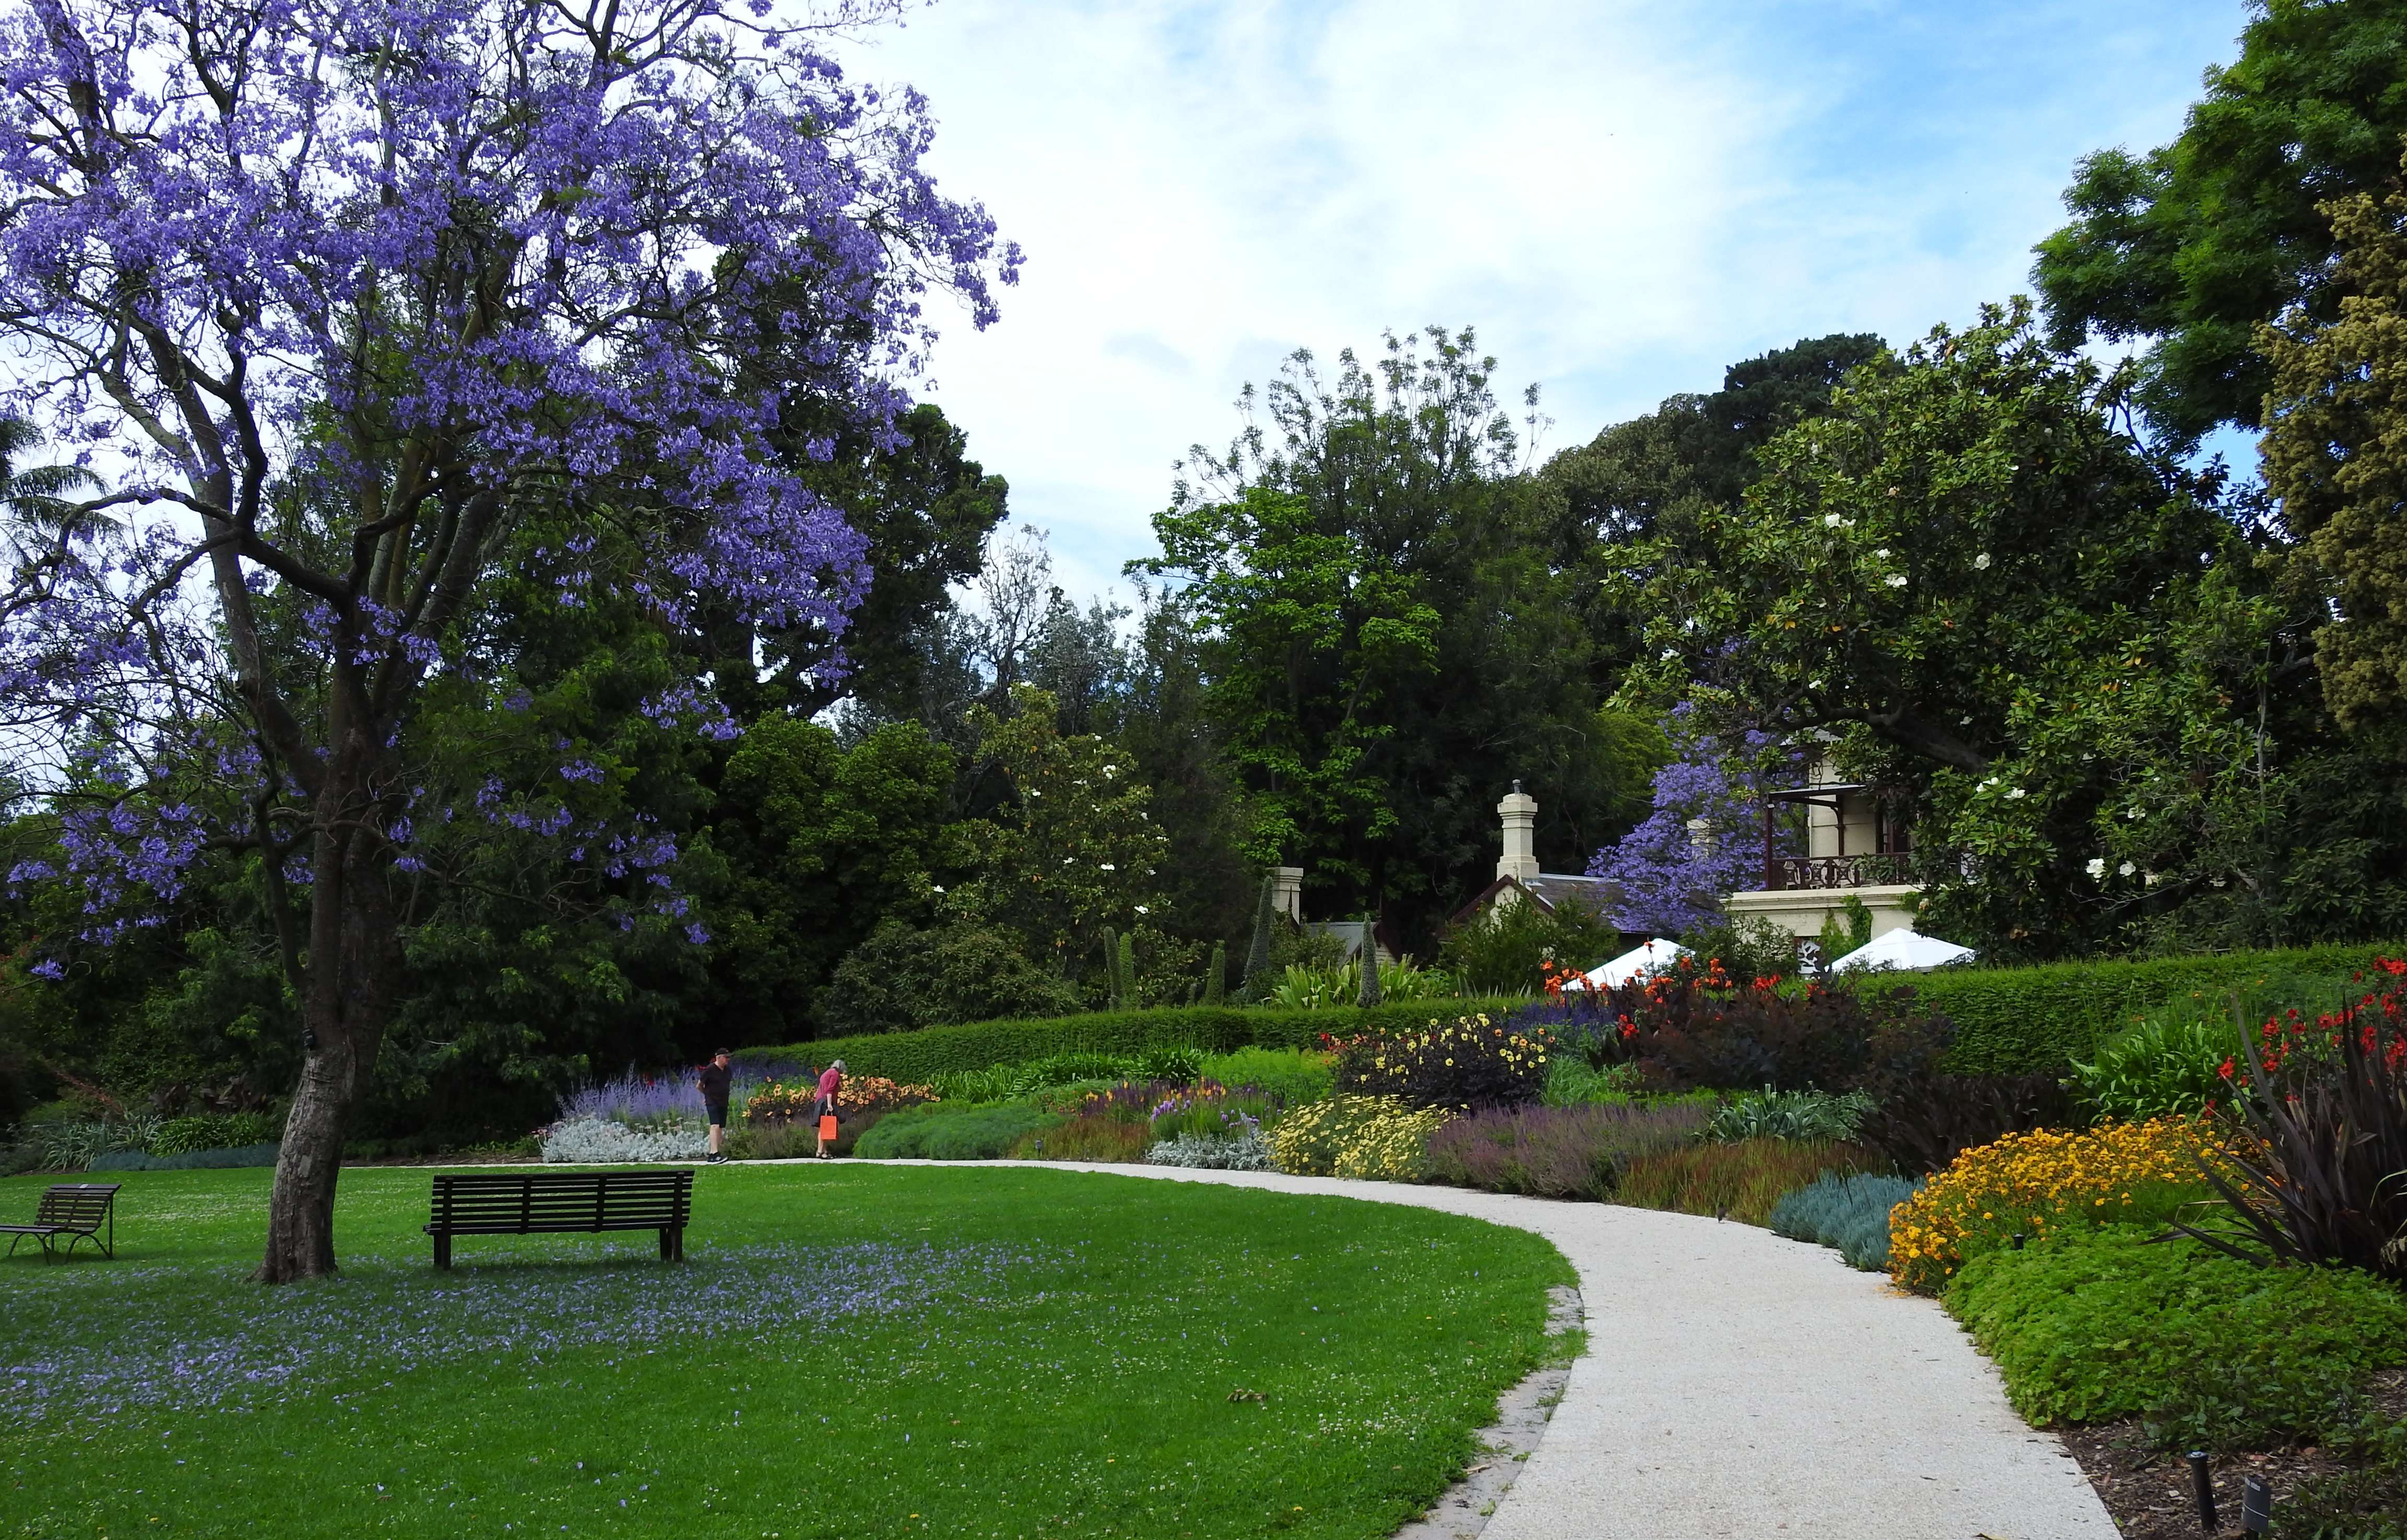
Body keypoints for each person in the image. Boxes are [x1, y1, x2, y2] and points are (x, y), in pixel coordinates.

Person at [698, 1049, 734, 1164]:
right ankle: (714, 1153)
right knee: (715, 1125)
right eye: (726, 1057)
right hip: (712, 1101)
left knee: (721, 1127)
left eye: (729, 1058)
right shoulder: (710, 1070)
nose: (728, 1060)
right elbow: (699, 1085)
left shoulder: (728, 1070)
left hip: (723, 1101)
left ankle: (718, 1152)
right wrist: (707, 1095)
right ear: (719, 1058)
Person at [814, 1058, 846, 1159]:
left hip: (820, 1101)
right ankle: (820, 1152)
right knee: (825, 1127)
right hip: (825, 1102)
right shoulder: (835, 1074)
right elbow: (830, 1090)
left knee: (823, 1128)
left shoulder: (828, 1072)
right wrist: (830, 1105)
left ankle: (824, 1151)